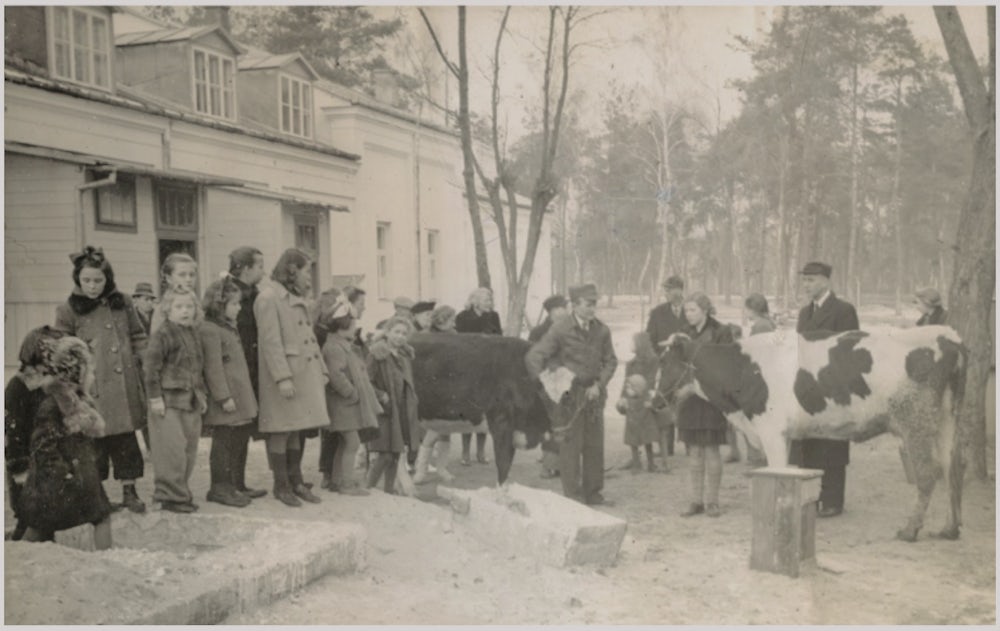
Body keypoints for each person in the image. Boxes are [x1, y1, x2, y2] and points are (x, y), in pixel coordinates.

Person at [54, 246, 148, 514]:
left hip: (123, 385)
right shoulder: (68, 309)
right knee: (95, 444)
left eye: (98, 280)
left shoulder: (123, 303)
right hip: (92, 386)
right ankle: (100, 495)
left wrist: (144, 360)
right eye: (87, 280)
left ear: (108, 279)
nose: (93, 286)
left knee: (125, 441)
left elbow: (138, 335)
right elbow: (63, 348)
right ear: (78, 280)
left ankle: (130, 491)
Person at [526, 283, 618, 506]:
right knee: (570, 448)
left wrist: (600, 384)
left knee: (594, 447)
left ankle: (593, 493)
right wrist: (547, 386)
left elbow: (611, 361)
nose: (591, 308)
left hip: (594, 395)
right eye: (587, 304)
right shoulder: (560, 329)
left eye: (594, 304)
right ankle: (574, 497)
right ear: (574, 305)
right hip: (569, 398)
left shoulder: (602, 330)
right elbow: (534, 357)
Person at [19, 335, 113, 550]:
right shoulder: (54, 405)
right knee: (40, 527)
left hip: (75, 476)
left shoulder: (75, 401)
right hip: (61, 481)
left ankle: (107, 558)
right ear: (76, 371)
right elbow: (43, 446)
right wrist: (63, 473)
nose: (92, 375)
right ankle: (18, 557)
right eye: (89, 370)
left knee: (100, 516)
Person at [255, 248, 328, 507]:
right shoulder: (269, 298)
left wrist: (322, 369)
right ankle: (281, 484)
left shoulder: (296, 298)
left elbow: (309, 339)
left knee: (296, 427)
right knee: (280, 429)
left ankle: (297, 482)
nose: (309, 277)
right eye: (307, 271)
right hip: (284, 376)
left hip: (303, 374)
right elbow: (270, 342)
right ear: (292, 270)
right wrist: (282, 377)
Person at [790, 261, 859, 519]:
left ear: (825, 281)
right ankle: (812, 497)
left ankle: (832, 500)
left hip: (833, 387)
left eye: (811, 280)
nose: (806, 285)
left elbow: (850, 349)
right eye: (804, 280)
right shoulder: (804, 313)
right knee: (807, 442)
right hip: (808, 388)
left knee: (832, 443)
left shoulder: (843, 310)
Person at [144, 288, 208, 514]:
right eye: (178, 307)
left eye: (189, 307)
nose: (184, 311)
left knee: (188, 450)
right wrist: (155, 399)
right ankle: (168, 496)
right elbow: (151, 369)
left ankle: (181, 493)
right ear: (167, 310)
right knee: (170, 451)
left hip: (190, 401)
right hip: (167, 402)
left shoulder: (192, 333)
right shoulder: (163, 334)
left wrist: (201, 395)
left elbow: (197, 369)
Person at [675, 292, 734, 518]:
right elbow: (679, 365)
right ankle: (696, 500)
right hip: (689, 400)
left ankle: (713, 501)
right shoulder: (684, 333)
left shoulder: (721, 332)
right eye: (686, 311)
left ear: (705, 310)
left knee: (711, 450)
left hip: (711, 399)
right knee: (694, 451)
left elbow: (726, 365)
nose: (688, 315)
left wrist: (701, 386)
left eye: (692, 310)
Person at [200, 278, 258, 508]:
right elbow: (213, 367)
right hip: (226, 398)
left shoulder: (227, 326)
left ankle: (237, 484)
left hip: (239, 395)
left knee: (240, 438)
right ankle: (220, 488)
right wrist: (223, 397)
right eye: (234, 304)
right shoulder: (209, 329)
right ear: (219, 305)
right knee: (224, 442)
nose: (239, 308)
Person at [5, 326, 65, 542]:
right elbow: (13, 433)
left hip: (49, 461)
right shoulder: (19, 387)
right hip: (27, 465)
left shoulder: (52, 383)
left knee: (45, 519)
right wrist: (19, 470)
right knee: (30, 518)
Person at [318, 298, 380, 496]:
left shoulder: (341, 345)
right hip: (343, 404)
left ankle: (337, 481)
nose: (355, 328)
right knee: (352, 443)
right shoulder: (334, 348)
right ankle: (346, 484)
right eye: (352, 325)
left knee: (345, 443)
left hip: (346, 405)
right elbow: (336, 375)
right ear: (341, 327)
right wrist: (351, 394)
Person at [226, 246, 268, 499]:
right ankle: (229, 484)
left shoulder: (254, 294)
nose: (263, 271)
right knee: (233, 429)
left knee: (243, 429)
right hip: (236, 369)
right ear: (245, 268)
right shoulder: (230, 293)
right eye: (259, 266)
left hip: (251, 369)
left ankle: (238, 484)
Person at [365, 317, 420, 493]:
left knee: (396, 453)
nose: (400, 336)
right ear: (387, 332)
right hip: (384, 411)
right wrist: (381, 395)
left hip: (401, 410)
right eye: (396, 332)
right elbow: (366, 382)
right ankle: (369, 488)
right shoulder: (377, 354)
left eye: (404, 333)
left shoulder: (404, 356)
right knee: (385, 454)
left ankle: (389, 491)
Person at [412, 305, 459, 484]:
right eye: (451, 320)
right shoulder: (425, 336)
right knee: (434, 429)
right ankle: (421, 470)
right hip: (430, 387)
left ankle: (441, 468)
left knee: (448, 429)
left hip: (451, 386)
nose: (454, 324)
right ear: (441, 320)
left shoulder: (454, 335)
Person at [455, 287, 501, 464]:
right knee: (468, 410)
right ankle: (465, 452)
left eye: (490, 300)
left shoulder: (493, 316)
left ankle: (481, 452)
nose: (490, 303)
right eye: (486, 300)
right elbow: (461, 340)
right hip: (468, 367)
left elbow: (499, 338)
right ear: (476, 301)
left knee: (484, 411)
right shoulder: (463, 317)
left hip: (488, 367)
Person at [530, 295, 569, 479]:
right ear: (552, 311)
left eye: (565, 307)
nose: (565, 311)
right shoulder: (538, 332)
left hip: (568, 381)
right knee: (549, 424)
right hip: (547, 382)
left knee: (565, 423)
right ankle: (548, 466)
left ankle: (564, 464)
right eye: (561, 308)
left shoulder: (571, 328)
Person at [616, 333, 662, 473]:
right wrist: (623, 398)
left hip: (645, 401)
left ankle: (651, 463)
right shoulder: (630, 363)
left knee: (647, 434)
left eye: (633, 342)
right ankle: (636, 462)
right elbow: (626, 382)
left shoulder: (653, 360)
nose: (630, 345)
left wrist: (642, 393)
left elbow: (652, 381)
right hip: (632, 402)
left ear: (640, 344)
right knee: (632, 434)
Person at [616, 375, 660, 473]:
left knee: (648, 445)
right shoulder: (627, 401)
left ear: (638, 389)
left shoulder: (646, 399)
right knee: (634, 446)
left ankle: (651, 464)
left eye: (630, 388)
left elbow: (655, 410)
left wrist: (652, 406)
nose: (627, 390)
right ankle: (637, 465)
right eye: (626, 387)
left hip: (644, 426)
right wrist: (620, 406)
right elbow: (621, 411)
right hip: (633, 427)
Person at [149, 252, 199, 333]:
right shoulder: (163, 309)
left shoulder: (197, 305)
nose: (188, 279)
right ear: (169, 278)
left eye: (192, 275)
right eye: (182, 275)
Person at [646, 275, 687, 350]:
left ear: (679, 291)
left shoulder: (693, 311)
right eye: (665, 291)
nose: (665, 294)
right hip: (663, 359)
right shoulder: (656, 313)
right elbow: (648, 342)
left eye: (668, 290)